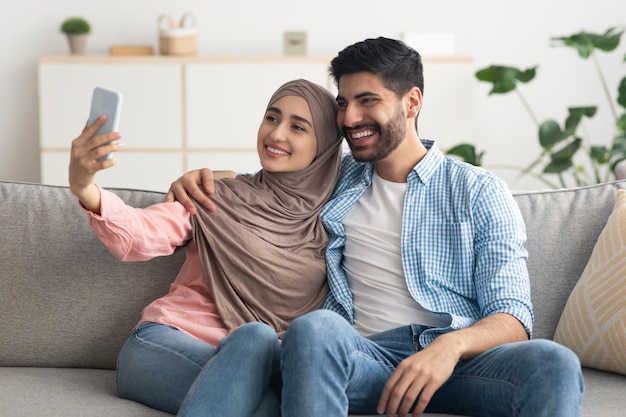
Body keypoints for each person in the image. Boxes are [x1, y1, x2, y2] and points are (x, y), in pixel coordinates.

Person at [169, 37, 585, 417]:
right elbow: (266, 183)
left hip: (460, 364)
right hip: (363, 358)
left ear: (412, 102)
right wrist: (204, 178)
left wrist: (449, 346)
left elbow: (513, 314)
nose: (350, 117)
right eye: (343, 102)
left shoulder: (478, 191)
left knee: (555, 362)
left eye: (367, 101)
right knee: (313, 330)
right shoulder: (335, 177)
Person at [68, 79, 343, 417]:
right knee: (257, 340)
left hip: (257, 363)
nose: (276, 134)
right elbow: (138, 235)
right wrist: (84, 186)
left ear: (325, 146)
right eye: (271, 118)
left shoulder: (331, 227)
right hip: (164, 345)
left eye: (298, 127)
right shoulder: (216, 193)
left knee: (268, 393)